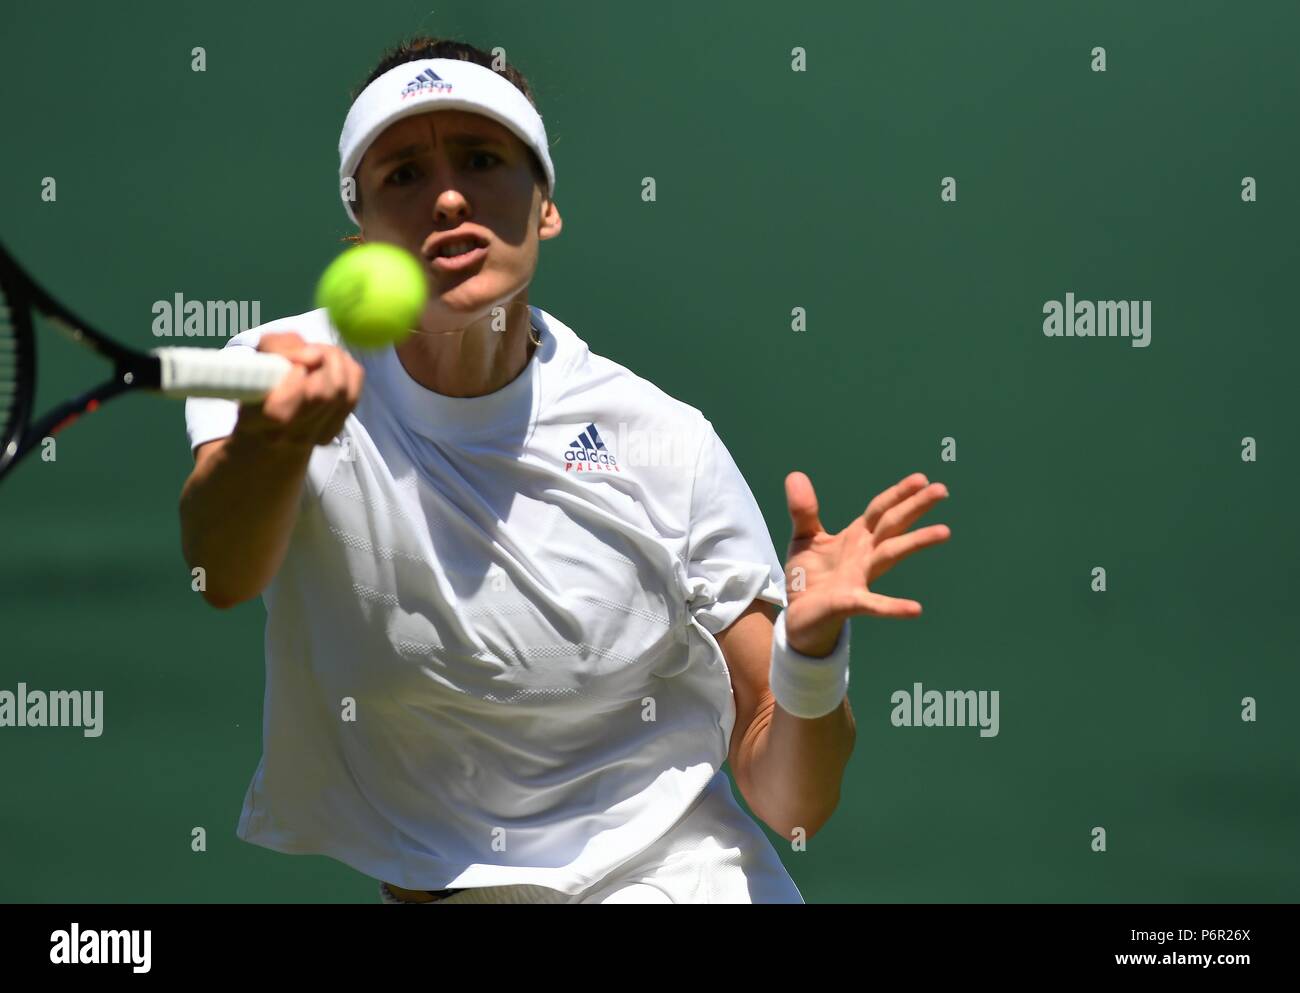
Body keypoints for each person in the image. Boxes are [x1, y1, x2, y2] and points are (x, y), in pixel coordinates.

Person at [178, 36, 952, 904]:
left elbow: (792, 802)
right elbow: (223, 572)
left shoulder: (666, 444)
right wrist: (275, 446)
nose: (446, 195)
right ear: (361, 230)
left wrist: (809, 654)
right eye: (402, 174)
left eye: (482, 159)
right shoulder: (278, 371)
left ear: (545, 206)